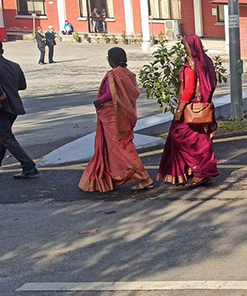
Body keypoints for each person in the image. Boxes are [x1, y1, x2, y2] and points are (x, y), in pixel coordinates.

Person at [79, 47, 153, 193]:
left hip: (113, 116)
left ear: (112, 59)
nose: (108, 60)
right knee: (118, 146)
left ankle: (143, 177)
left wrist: (99, 100)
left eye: (108, 57)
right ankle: (112, 177)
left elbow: (111, 94)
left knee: (120, 148)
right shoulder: (128, 75)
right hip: (124, 115)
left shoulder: (114, 75)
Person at [157, 35, 219, 187]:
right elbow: (212, 83)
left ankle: (199, 174)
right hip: (204, 109)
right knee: (202, 142)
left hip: (190, 111)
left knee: (183, 139)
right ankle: (202, 173)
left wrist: (179, 110)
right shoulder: (207, 62)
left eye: (185, 46)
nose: (185, 49)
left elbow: (189, 90)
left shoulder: (191, 66)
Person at [0, 39, 38, 179]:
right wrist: (9, 86)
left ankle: (28, 165)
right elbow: (22, 85)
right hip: (13, 106)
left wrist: (0, 93)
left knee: (5, 136)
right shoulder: (14, 65)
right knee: (2, 136)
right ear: (3, 50)